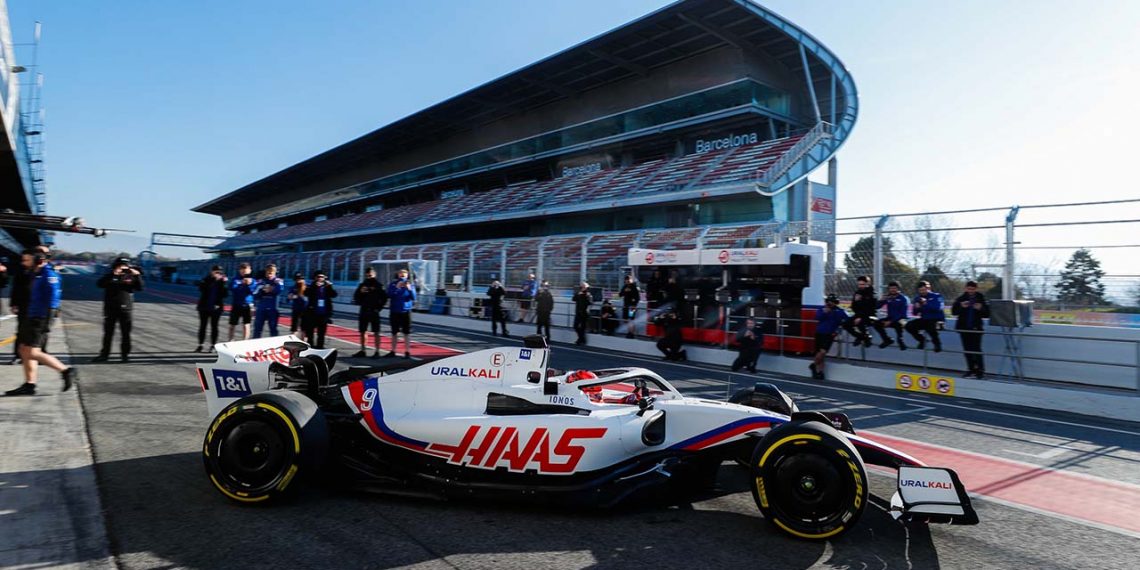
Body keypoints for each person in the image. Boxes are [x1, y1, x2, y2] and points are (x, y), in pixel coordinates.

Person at [5, 249, 78, 396]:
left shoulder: (49, 275)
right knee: (23, 350)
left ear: (38, 260)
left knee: (33, 351)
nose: (23, 263)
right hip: (31, 315)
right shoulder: (35, 273)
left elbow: (53, 300)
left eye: (27, 260)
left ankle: (66, 371)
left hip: (40, 318)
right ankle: (29, 385)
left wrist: (47, 322)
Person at [93, 257, 144, 363]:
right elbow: (99, 284)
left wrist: (137, 275)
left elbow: (140, 288)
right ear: (115, 266)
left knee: (125, 333)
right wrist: (114, 274)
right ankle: (104, 355)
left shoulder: (130, 276)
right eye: (121, 266)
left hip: (126, 309)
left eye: (125, 266)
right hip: (110, 308)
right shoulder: (110, 276)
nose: (123, 268)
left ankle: (125, 355)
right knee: (108, 333)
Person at [952, 280, 990, 378]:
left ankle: (980, 370)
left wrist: (980, 308)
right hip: (964, 328)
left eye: (973, 289)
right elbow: (954, 312)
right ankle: (971, 369)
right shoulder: (961, 298)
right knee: (967, 350)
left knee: (976, 350)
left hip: (976, 328)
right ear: (966, 288)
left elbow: (987, 314)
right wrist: (961, 306)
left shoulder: (981, 298)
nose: (971, 291)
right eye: (969, 289)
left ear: (976, 289)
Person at [810, 294, 847, 380]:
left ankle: (814, 365)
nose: (830, 303)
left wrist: (839, 328)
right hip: (820, 333)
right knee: (820, 353)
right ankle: (819, 372)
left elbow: (846, 319)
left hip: (830, 334)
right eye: (829, 302)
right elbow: (817, 317)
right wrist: (825, 312)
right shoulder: (822, 309)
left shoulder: (839, 311)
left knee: (823, 352)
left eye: (832, 302)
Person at [353, 267, 387, 357]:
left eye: (370, 275)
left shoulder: (379, 285)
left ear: (374, 274)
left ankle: (377, 351)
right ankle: (363, 350)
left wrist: (378, 308)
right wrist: (361, 292)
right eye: (367, 275)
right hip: (364, 310)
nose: (369, 277)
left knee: (376, 332)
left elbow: (384, 298)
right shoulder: (362, 285)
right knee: (363, 331)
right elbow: (356, 298)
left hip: (374, 311)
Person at [905, 281, 945, 352]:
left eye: (924, 290)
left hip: (937, 319)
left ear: (928, 288)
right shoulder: (918, 298)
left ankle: (937, 344)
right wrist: (916, 307)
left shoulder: (936, 296)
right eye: (920, 290)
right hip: (925, 319)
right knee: (908, 326)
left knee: (930, 325)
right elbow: (914, 313)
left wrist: (926, 303)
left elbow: (938, 308)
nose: (922, 292)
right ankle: (922, 340)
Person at [195, 266, 228, 352]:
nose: (217, 273)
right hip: (204, 306)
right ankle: (200, 345)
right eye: (216, 272)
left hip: (216, 307)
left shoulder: (222, 281)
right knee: (203, 326)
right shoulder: (206, 279)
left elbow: (225, 294)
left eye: (219, 272)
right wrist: (213, 280)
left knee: (214, 326)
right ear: (212, 271)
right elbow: (201, 289)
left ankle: (213, 345)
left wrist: (224, 283)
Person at [841, 275, 878, 348]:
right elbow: (853, 306)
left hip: (870, 315)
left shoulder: (872, 294)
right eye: (859, 284)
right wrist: (856, 301)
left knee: (860, 322)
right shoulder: (857, 293)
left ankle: (866, 337)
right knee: (845, 324)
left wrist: (860, 317)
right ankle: (862, 337)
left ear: (868, 284)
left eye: (863, 284)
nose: (860, 286)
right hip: (859, 314)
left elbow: (870, 309)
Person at [303, 270, 337, 349]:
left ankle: (320, 347)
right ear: (315, 278)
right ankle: (310, 346)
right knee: (310, 331)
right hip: (312, 312)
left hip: (324, 313)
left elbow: (334, 295)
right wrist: (314, 286)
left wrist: (330, 286)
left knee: (321, 332)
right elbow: (306, 293)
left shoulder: (327, 286)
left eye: (322, 277)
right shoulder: (311, 286)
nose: (320, 278)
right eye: (318, 277)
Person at [386, 268, 416, 358]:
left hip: (406, 311)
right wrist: (397, 287)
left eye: (404, 274)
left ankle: (407, 352)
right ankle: (393, 351)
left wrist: (409, 289)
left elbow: (414, 297)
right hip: (395, 311)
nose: (402, 275)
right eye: (401, 273)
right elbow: (389, 295)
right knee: (394, 332)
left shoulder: (410, 284)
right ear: (398, 275)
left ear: (407, 275)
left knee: (406, 332)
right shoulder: (393, 284)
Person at [874, 281, 909, 350]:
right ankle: (887, 339)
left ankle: (900, 341)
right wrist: (881, 300)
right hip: (890, 318)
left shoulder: (903, 298)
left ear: (898, 289)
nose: (892, 290)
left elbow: (902, 314)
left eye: (894, 288)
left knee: (900, 324)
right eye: (891, 288)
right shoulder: (888, 297)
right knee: (876, 323)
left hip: (900, 319)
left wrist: (890, 321)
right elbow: (876, 307)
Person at [252, 264, 283, 338]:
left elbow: (279, 290)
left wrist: (271, 289)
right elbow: (255, 294)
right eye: (268, 271)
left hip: (273, 309)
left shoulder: (278, 281)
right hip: (261, 308)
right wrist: (262, 291)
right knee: (257, 329)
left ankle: (274, 344)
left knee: (273, 330)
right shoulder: (261, 281)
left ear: (275, 272)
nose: (269, 273)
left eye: (271, 272)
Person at [227, 263, 254, 342]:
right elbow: (232, 288)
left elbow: (253, 291)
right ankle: (230, 340)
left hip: (247, 305)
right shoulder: (235, 279)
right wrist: (242, 284)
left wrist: (248, 285)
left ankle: (245, 341)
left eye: (246, 270)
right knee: (232, 324)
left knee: (246, 324)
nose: (244, 272)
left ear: (249, 270)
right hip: (236, 304)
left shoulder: (253, 280)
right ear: (240, 270)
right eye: (242, 270)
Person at [287, 273, 307, 341]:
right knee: (294, 326)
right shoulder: (293, 288)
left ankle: (303, 341)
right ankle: (293, 340)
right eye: (297, 279)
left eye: (301, 279)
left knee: (304, 327)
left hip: (305, 309)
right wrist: (291, 297)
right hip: (296, 308)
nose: (299, 280)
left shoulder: (307, 287)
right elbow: (288, 298)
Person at [572, 281, 592, 345]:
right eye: (581, 287)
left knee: (583, 328)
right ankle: (581, 339)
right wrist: (578, 294)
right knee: (575, 326)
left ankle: (580, 340)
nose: (582, 288)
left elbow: (590, 302)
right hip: (578, 312)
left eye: (583, 287)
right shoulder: (579, 293)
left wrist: (585, 296)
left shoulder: (588, 295)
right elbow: (573, 299)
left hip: (584, 313)